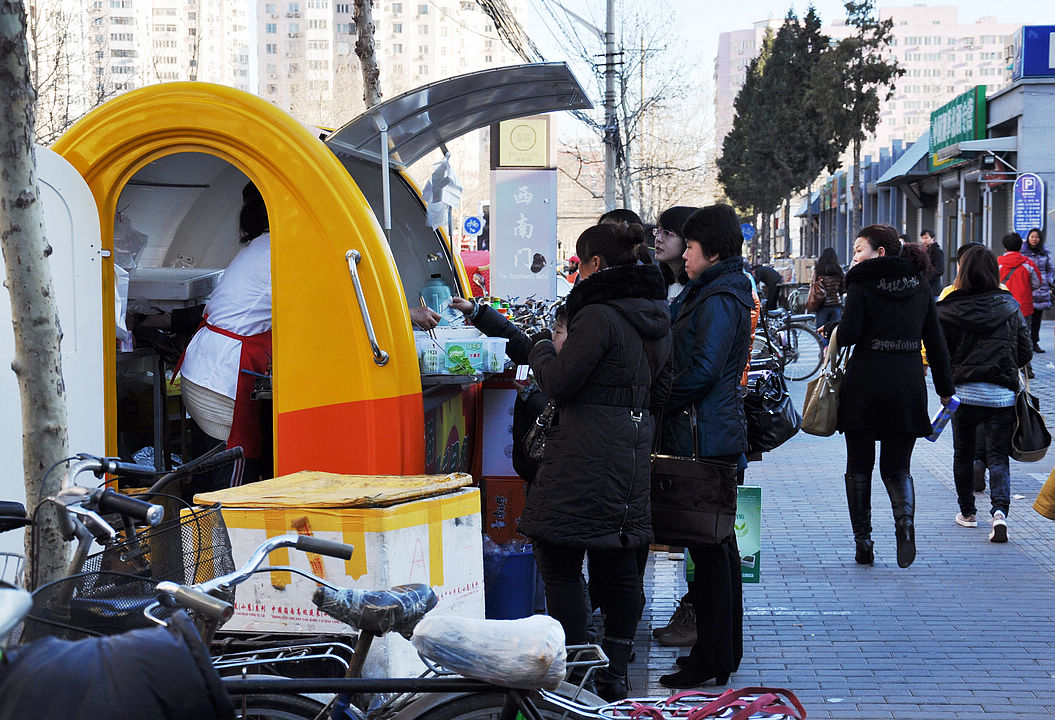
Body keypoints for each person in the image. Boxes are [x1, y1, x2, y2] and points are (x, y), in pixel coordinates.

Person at [521, 222, 671, 701]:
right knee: (620, 563)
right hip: (631, 451)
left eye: (579, 264)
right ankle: (616, 671)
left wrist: (542, 347)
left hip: (585, 452)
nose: (576, 273)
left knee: (559, 556)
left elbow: (560, 382)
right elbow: (664, 390)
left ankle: (581, 668)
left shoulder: (598, 316)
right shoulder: (656, 315)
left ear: (596, 266)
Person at [654, 204, 754, 690]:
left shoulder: (719, 298)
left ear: (711, 252)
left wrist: (659, 400)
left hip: (704, 439)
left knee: (712, 554)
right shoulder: (714, 290)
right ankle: (719, 655)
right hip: (708, 433)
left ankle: (711, 657)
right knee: (718, 552)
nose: (686, 255)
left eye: (691, 247)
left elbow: (704, 370)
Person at [837, 225, 955, 569]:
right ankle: (904, 525)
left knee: (859, 466)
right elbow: (936, 342)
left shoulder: (860, 283)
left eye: (859, 249)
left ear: (880, 252)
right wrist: (946, 391)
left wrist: (838, 326)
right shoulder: (920, 285)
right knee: (898, 468)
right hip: (907, 385)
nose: (855, 256)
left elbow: (850, 335)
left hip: (865, 383)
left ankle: (864, 543)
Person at [179, 182, 273, 488]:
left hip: (205, 373)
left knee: (206, 479)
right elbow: (330, 305)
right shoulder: (280, 250)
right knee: (231, 486)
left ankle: (196, 535)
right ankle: (218, 537)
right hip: (220, 384)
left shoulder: (260, 245)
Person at [937, 244, 1031, 544]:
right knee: (998, 456)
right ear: (995, 271)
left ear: (961, 272)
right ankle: (999, 514)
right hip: (1001, 396)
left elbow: (941, 354)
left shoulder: (947, 307)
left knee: (963, 454)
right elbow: (1025, 352)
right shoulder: (1010, 306)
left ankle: (967, 512)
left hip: (963, 394)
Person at [997, 232, 1041, 376]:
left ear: (1004, 246)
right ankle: (1027, 368)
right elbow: (1037, 283)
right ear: (1020, 246)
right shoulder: (1028, 263)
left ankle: (1005, 367)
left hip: (1002, 306)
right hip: (1024, 305)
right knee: (1025, 337)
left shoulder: (998, 262)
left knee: (1002, 336)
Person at [1020, 228, 1053, 354]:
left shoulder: (1045, 253)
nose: (1034, 239)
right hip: (1027, 289)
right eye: (1032, 237)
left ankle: (1035, 342)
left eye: (1037, 237)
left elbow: (1050, 269)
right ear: (1028, 238)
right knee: (1026, 319)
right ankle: (1026, 343)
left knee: (1037, 319)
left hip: (1042, 289)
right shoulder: (1023, 253)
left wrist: (1048, 280)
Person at [654, 206, 695, 301]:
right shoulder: (657, 285)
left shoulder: (698, 291)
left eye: (667, 233)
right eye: (658, 231)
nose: (658, 239)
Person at [812, 247, 845, 330]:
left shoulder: (818, 270)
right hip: (836, 304)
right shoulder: (838, 270)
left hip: (821, 304)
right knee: (834, 331)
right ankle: (831, 343)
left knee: (821, 331)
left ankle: (823, 343)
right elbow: (843, 288)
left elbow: (814, 285)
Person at [920, 228, 944, 297]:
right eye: (922, 238)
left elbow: (940, 270)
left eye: (926, 238)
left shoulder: (937, 251)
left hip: (933, 288)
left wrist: (927, 277)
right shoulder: (923, 251)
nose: (924, 240)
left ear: (932, 238)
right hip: (924, 287)